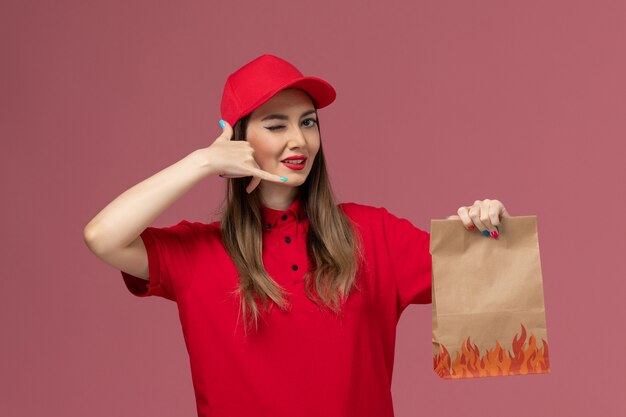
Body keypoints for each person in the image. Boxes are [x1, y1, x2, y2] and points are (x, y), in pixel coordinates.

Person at [83, 54, 510, 417]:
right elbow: (103, 236)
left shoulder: (371, 234)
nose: (299, 140)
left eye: (307, 122)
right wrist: (200, 162)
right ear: (237, 139)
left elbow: (490, 276)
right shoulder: (198, 254)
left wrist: (487, 227)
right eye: (275, 125)